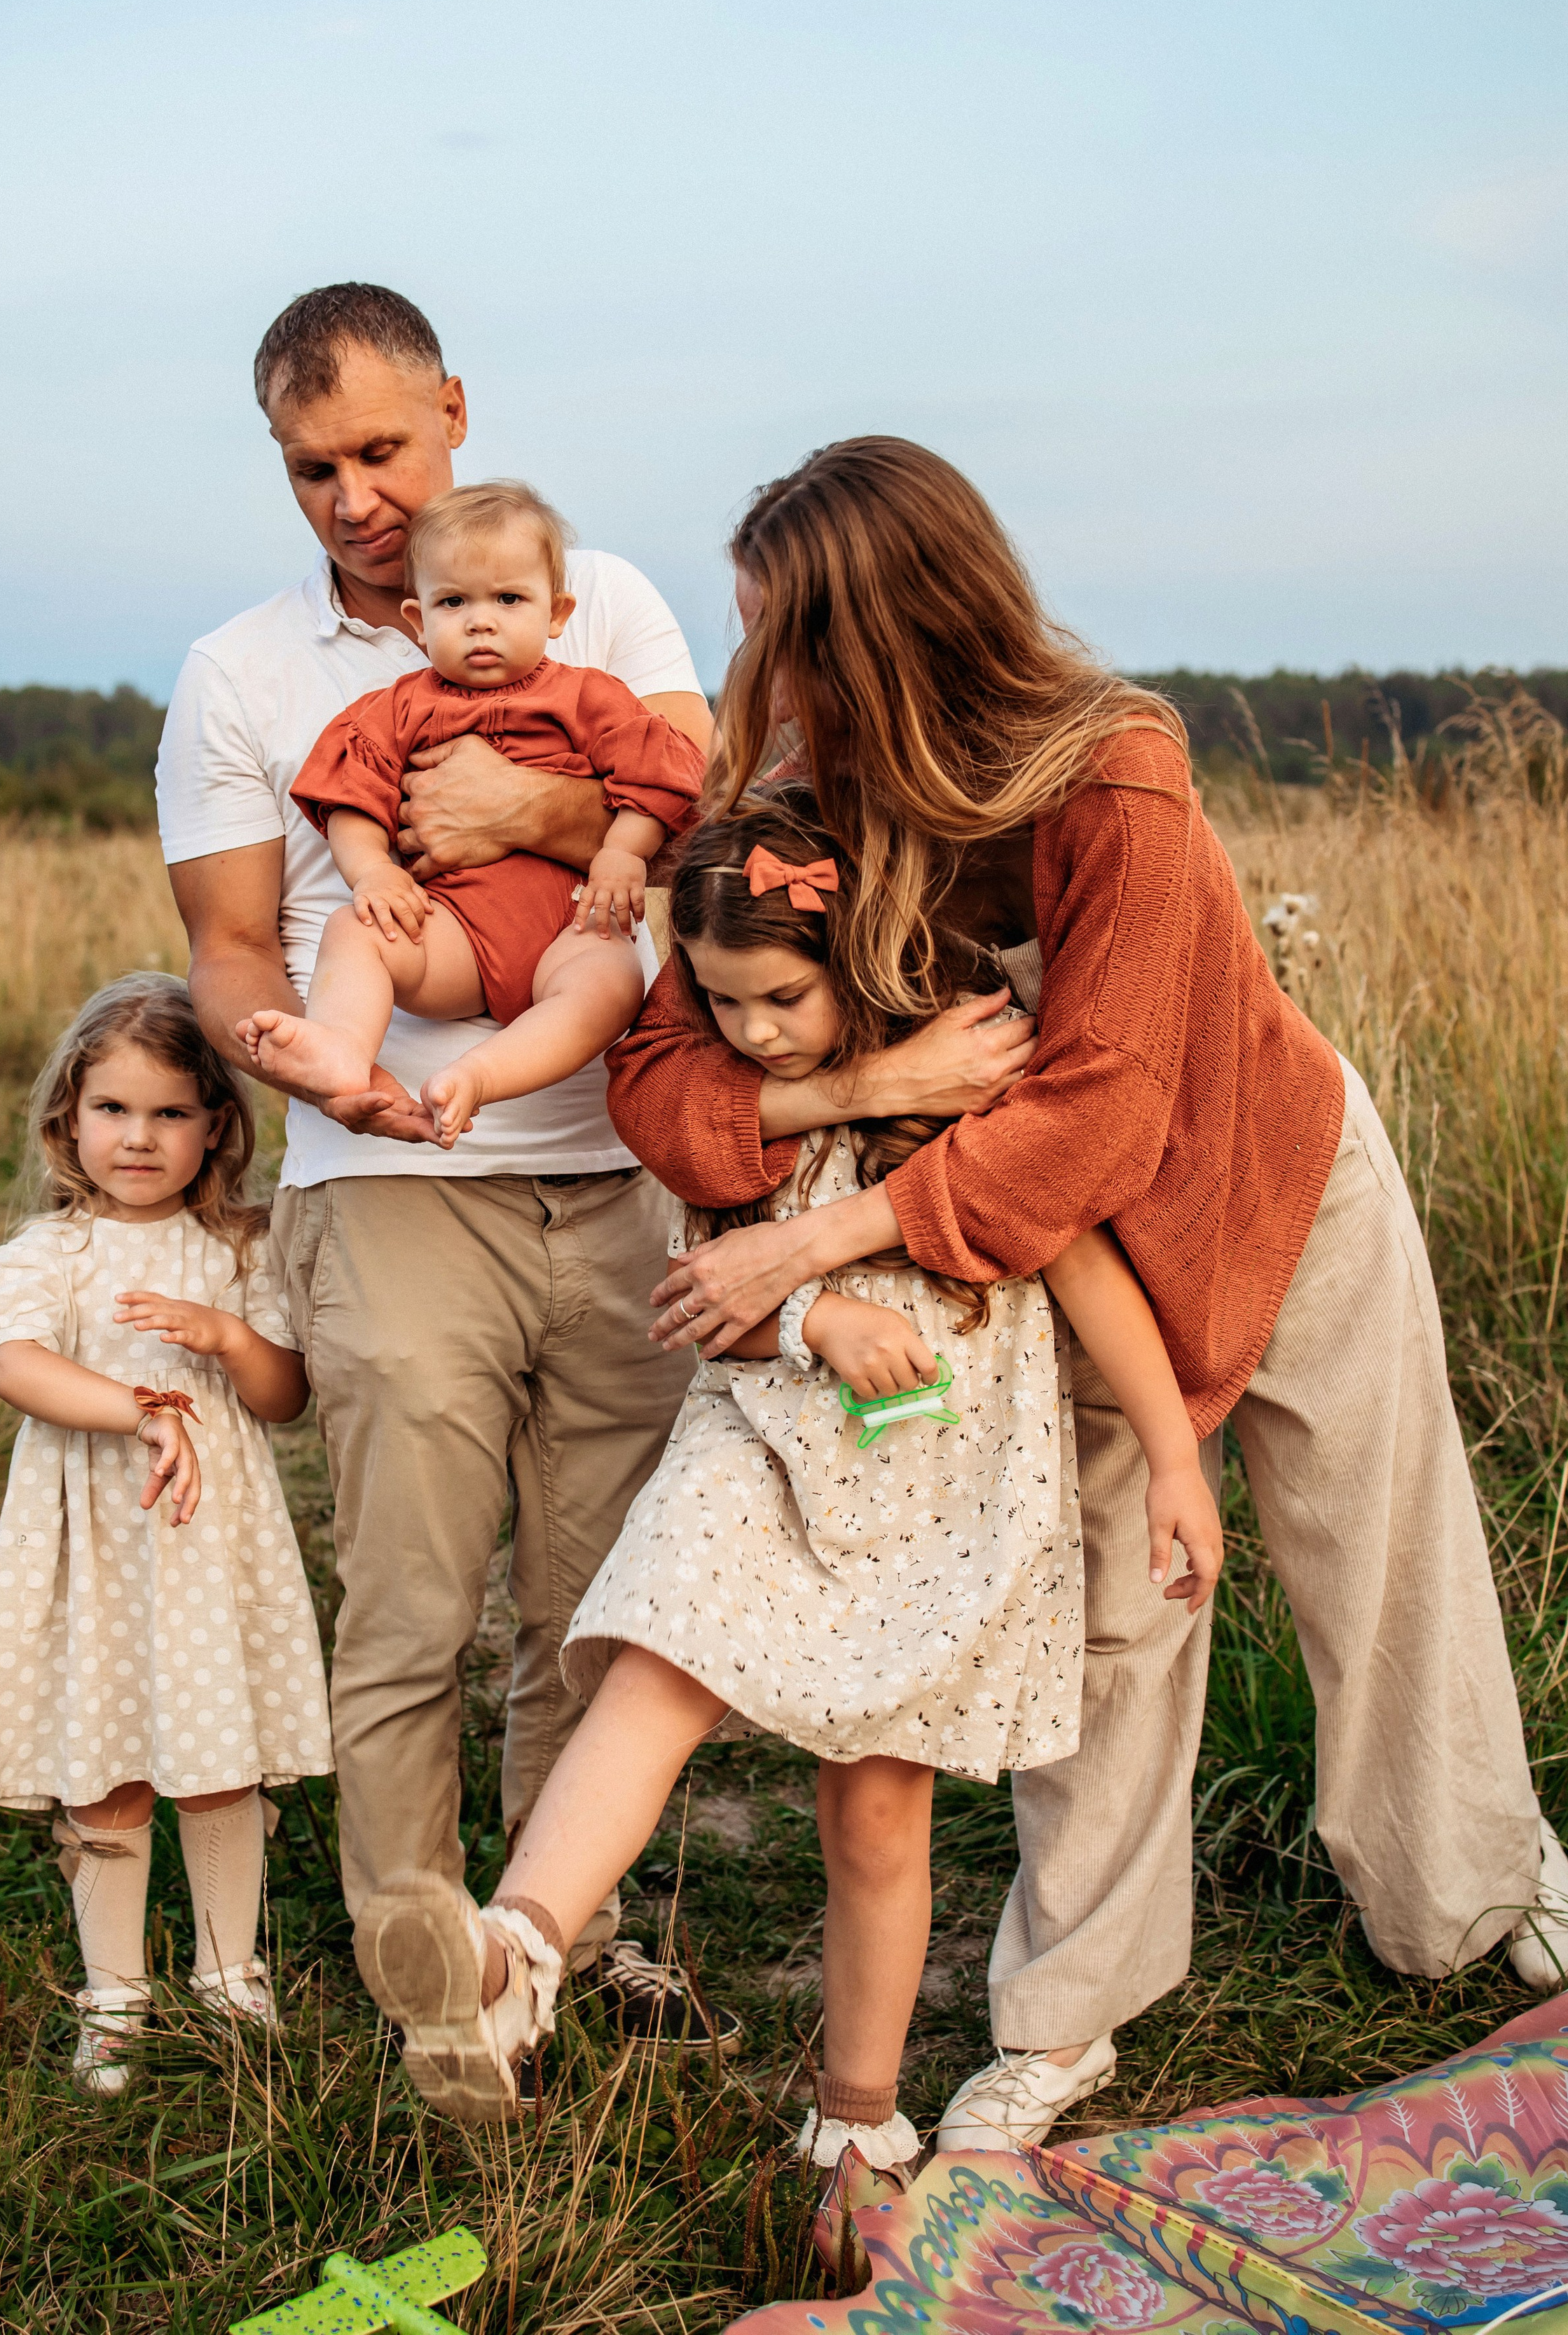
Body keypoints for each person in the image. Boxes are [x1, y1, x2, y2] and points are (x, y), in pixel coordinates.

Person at [602, 434, 1568, 2153]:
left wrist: (809, 1239)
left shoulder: (1112, 767)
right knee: (1115, 1606)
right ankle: (1068, 2018)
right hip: (1054, 1251)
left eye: (780, 627)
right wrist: (820, 1104)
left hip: (1264, 1169)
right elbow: (652, 1063)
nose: (757, 664)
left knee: (1374, 1536)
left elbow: (1103, 1105)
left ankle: (1463, 1876)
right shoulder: (797, 793)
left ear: (887, 626)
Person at [351, 798, 1220, 2223]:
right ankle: (514, 1953)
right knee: (658, 1655)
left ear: (858, 956)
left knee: (875, 1819)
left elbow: (1081, 1268)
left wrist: (1178, 1461)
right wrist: (813, 1313)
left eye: (780, 998)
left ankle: (855, 2130)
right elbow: (710, 1304)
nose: (750, 1031)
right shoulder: (740, 1128)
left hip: (941, 1492)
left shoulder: (975, 1081)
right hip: (759, 1448)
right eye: (719, 998)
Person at [155, 282, 722, 2043]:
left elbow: (696, 817)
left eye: (380, 449)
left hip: (606, 1166)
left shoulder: (594, 589)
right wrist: (316, 1064)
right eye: (308, 466)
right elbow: (233, 943)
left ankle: (568, 1934)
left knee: (595, 1593)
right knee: (409, 1594)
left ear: (455, 411)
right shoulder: (241, 670)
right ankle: (419, 1958)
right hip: (387, 1180)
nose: (351, 497)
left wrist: (528, 816)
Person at [0, 973, 331, 2097]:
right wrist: (140, 1409)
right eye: (113, 1110)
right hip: (93, 1555)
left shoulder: (244, 1252)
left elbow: (283, 1397)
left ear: (217, 1126)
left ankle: (229, 1972)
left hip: (209, 1551)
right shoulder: (49, 1256)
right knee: (102, 1767)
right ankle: (114, 1990)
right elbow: (17, 1365)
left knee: (217, 1762)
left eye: (170, 1113)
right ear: (70, 1119)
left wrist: (222, 1337)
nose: (140, 1137)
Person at [240, 479, 706, 1144]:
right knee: (355, 928)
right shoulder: (399, 708)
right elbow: (351, 791)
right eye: (453, 602)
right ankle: (342, 1046)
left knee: (614, 982)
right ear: (417, 619)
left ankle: (478, 1077)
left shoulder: (589, 698)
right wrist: (371, 870)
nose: (480, 621)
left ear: (557, 613)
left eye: (509, 599)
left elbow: (660, 778)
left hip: (577, 925)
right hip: (452, 932)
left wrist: (621, 852)